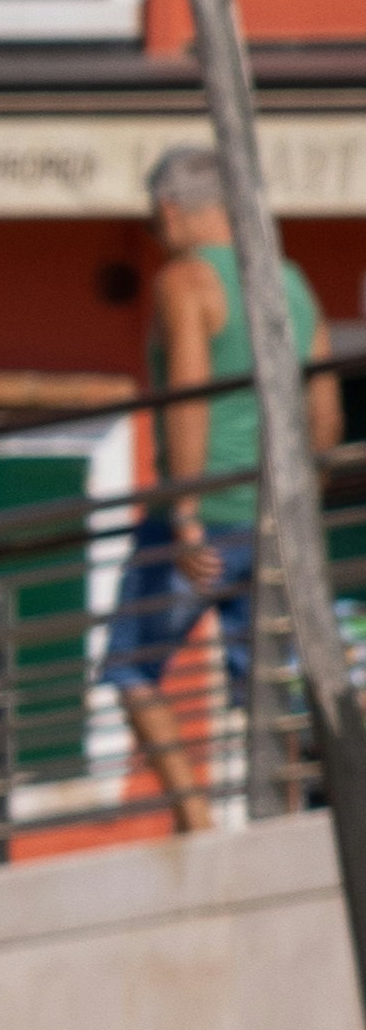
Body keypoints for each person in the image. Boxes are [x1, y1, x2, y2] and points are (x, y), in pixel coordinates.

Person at [108, 145, 345, 767]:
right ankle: (297, 823)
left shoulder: (184, 281)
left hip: (205, 513)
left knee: (130, 666)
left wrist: (184, 511)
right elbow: (325, 406)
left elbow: (191, 396)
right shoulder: (287, 279)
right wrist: (303, 498)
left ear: (169, 207)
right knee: (268, 680)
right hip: (275, 514)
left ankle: (195, 821)